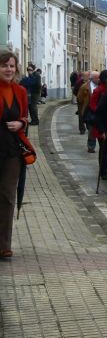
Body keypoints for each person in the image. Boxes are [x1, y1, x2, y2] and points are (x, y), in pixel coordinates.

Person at [0, 52, 30, 258]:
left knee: (8, 196)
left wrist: (21, 122)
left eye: (11, 66)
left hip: (12, 150)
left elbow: (25, 117)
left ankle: (4, 245)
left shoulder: (20, 91)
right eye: (4, 66)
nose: (9, 69)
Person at [90, 70, 107, 180]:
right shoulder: (99, 90)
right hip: (101, 124)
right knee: (104, 149)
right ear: (105, 78)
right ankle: (103, 170)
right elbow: (92, 105)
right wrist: (102, 112)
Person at [75, 71, 91, 135]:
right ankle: (82, 129)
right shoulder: (79, 82)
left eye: (88, 76)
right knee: (81, 115)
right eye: (85, 76)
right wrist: (79, 98)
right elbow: (75, 91)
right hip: (81, 102)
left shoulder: (90, 82)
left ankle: (89, 127)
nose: (86, 77)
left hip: (88, 102)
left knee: (88, 114)